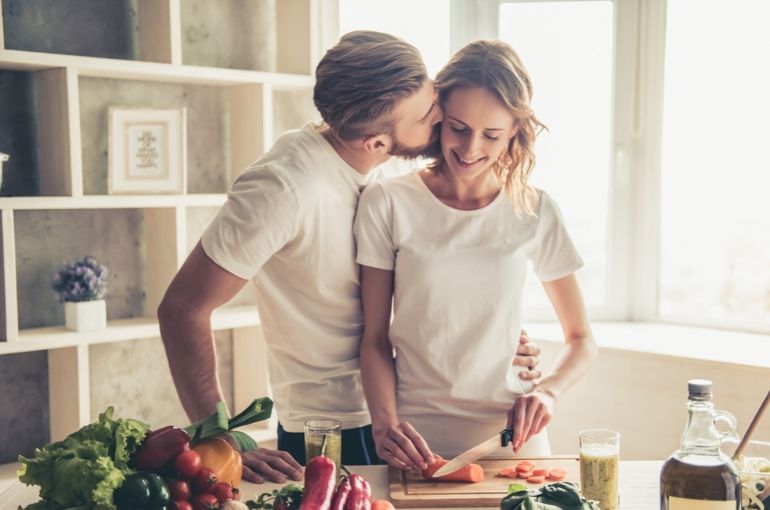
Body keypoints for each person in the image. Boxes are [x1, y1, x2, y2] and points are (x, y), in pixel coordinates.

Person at [157, 31, 542, 483]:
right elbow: (182, 308)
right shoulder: (281, 189)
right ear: (376, 141)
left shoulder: (393, 159)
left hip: (409, 410)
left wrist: (496, 339)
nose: (440, 118)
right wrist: (218, 436)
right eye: (426, 114)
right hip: (332, 426)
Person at [354, 40, 598, 472]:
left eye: (492, 135)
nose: (470, 149)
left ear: (515, 133)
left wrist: (548, 392)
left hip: (513, 440)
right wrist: (384, 424)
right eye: (458, 128)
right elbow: (373, 338)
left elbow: (581, 339)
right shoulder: (387, 201)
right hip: (415, 441)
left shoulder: (535, 210)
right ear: (437, 120)